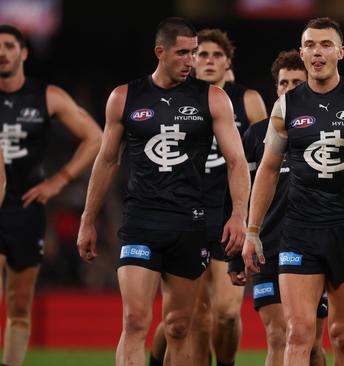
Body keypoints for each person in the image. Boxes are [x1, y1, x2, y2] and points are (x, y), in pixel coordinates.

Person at [75, 18, 249, 366]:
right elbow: (107, 161)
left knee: (179, 325)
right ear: (160, 52)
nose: (191, 61)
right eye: (183, 53)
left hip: (189, 223)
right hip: (141, 221)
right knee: (135, 320)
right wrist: (87, 220)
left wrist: (238, 215)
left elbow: (236, 161)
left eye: (194, 53)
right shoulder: (124, 97)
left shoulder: (212, 98)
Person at [243, 17, 344, 366]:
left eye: (326, 45)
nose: (318, 52)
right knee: (298, 333)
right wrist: (252, 230)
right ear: (302, 53)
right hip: (299, 232)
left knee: (343, 337)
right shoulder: (286, 107)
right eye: (311, 45)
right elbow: (268, 170)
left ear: (340, 52)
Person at [148, 27, 266, 366]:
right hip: (189, 215)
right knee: (192, 316)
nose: (209, 60)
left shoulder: (248, 100)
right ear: (191, 60)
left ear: (228, 63)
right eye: (202, 54)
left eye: (217, 55)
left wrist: (253, 219)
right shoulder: (178, 99)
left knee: (227, 313)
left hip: (230, 214)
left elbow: (265, 159)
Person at [0, 24, 102, 366]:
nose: (2, 52)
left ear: (24, 52)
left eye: (9, 45)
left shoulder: (46, 96)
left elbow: (95, 137)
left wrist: (59, 180)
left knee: (18, 304)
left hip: (27, 207)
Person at [238, 49, 327, 366]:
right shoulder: (257, 134)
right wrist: (241, 246)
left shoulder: (322, 128)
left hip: (313, 246)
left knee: (312, 344)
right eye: (283, 83)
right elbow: (240, 191)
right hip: (270, 248)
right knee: (280, 336)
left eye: (296, 82)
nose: (289, 88)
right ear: (275, 89)